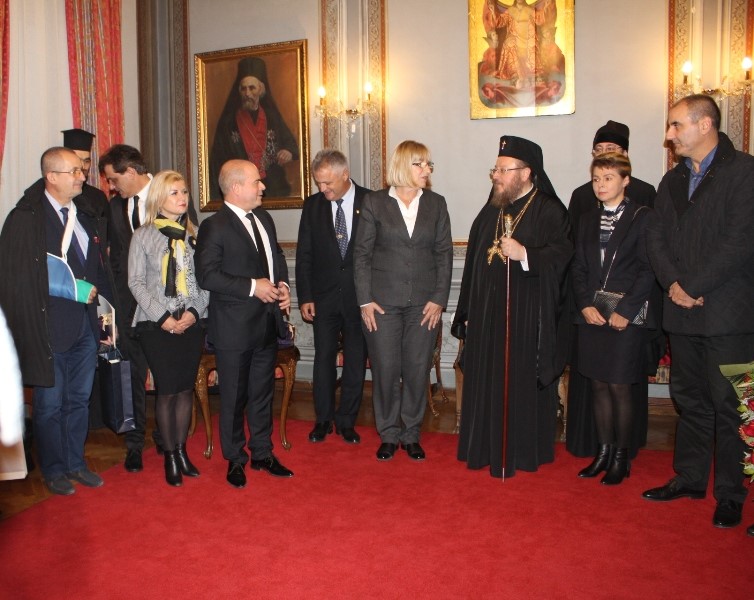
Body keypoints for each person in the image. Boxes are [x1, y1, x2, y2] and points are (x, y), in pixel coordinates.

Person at [643, 94, 754, 529]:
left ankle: (731, 493)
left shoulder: (744, 172)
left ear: (705, 124)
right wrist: (675, 285)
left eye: (676, 125)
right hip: (683, 312)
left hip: (729, 314)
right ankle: (689, 478)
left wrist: (692, 286)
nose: (669, 135)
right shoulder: (672, 180)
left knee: (732, 406)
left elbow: (740, 242)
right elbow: (655, 238)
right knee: (689, 400)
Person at [454, 135, 572, 478]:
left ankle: (521, 452)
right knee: (487, 383)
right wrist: (470, 313)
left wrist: (526, 255)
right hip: (487, 317)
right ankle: (483, 448)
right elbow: (474, 266)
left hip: (526, 320)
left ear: (526, 172)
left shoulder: (550, 211)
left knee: (518, 385)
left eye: (503, 170)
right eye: (495, 169)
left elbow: (564, 258)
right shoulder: (490, 211)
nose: (496, 176)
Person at [0, 147, 113, 495]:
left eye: (82, 170)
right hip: (46, 327)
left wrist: (108, 319)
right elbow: (15, 277)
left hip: (85, 326)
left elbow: (97, 269)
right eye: (74, 171)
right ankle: (53, 469)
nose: (82, 176)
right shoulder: (26, 218)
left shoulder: (86, 214)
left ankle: (75, 462)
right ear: (51, 177)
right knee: (49, 405)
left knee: (79, 400)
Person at [195, 159, 294, 489]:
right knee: (234, 397)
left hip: (267, 323)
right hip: (234, 328)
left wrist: (283, 286)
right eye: (256, 182)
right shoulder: (215, 226)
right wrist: (254, 286)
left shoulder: (264, 218)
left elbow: (276, 258)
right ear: (236, 187)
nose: (263, 186)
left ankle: (262, 453)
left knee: (262, 394)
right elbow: (207, 275)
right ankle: (235, 458)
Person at [566, 120, 660, 463]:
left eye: (608, 178)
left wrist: (626, 311)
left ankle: (621, 457)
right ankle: (603, 453)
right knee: (598, 385)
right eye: (596, 179)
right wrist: (584, 304)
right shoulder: (587, 219)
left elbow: (648, 270)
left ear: (625, 180)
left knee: (620, 386)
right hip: (592, 314)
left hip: (625, 316)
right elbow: (577, 267)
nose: (601, 185)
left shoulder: (642, 216)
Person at [354, 140, 452, 462]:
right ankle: (388, 434)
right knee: (385, 369)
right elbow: (362, 255)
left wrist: (439, 298)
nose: (427, 169)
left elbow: (444, 254)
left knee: (416, 369)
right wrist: (364, 301)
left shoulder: (436, 203)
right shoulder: (374, 202)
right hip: (382, 304)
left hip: (424, 305)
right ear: (402, 166)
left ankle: (410, 434)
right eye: (419, 164)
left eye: (428, 164)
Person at [128, 171, 209, 486]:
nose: (182, 197)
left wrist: (193, 312)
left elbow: (205, 281)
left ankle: (182, 451)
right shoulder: (143, 235)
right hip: (155, 325)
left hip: (191, 322)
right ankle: (170, 456)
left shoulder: (195, 235)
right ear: (159, 198)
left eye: (184, 191)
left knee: (185, 389)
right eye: (174, 192)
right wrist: (163, 317)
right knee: (167, 390)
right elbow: (136, 283)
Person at [296, 149, 369, 444]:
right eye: (319, 183)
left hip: (359, 297)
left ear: (345, 174)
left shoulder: (371, 201)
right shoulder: (312, 206)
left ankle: (347, 421)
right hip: (323, 297)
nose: (323, 188)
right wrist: (305, 296)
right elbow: (304, 254)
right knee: (323, 358)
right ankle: (323, 420)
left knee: (355, 359)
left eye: (328, 183)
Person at [100, 144, 164, 472]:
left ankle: (168, 438)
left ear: (129, 171)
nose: (111, 187)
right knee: (132, 375)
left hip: (165, 306)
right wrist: (115, 304)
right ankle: (135, 443)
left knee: (165, 375)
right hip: (128, 309)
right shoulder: (115, 207)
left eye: (113, 179)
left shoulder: (169, 191)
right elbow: (115, 259)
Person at [209, 57, 299, 200]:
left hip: (272, 185)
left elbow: (291, 144)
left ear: (261, 90)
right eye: (243, 88)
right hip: (241, 187)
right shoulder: (228, 122)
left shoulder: (272, 117)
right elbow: (218, 158)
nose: (247, 93)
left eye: (252, 88)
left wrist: (288, 151)